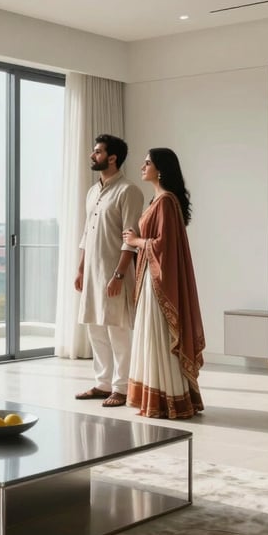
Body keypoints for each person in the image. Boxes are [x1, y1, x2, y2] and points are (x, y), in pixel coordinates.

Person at [122, 148, 205, 419]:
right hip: (150, 277)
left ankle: (167, 400)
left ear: (161, 169)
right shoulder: (158, 200)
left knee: (158, 337)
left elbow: (164, 246)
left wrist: (136, 242)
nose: (142, 166)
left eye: (147, 163)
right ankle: (159, 396)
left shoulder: (166, 201)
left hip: (158, 282)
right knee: (153, 338)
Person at [74, 134, 144, 407]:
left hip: (115, 273)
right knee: (95, 328)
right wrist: (80, 269)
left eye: (98, 152)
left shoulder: (128, 191)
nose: (93, 156)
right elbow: (85, 234)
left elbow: (132, 237)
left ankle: (122, 387)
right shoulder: (93, 192)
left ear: (112, 157)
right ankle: (103, 383)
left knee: (118, 330)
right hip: (91, 273)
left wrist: (119, 275)